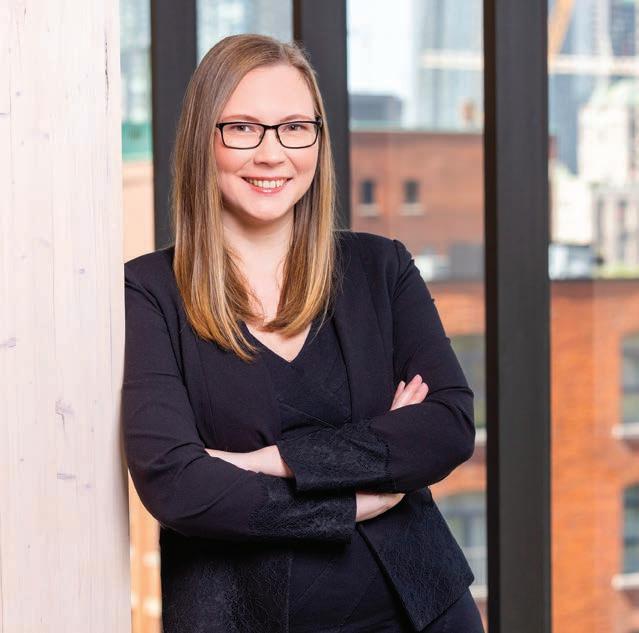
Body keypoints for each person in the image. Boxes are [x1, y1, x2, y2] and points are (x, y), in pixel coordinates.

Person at [122, 33, 485, 633]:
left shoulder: (380, 268)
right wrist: (356, 498)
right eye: (243, 128)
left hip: (421, 613)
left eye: (294, 127)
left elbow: (446, 427)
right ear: (202, 141)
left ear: (318, 139)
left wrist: (268, 462)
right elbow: (177, 485)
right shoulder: (149, 292)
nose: (272, 154)